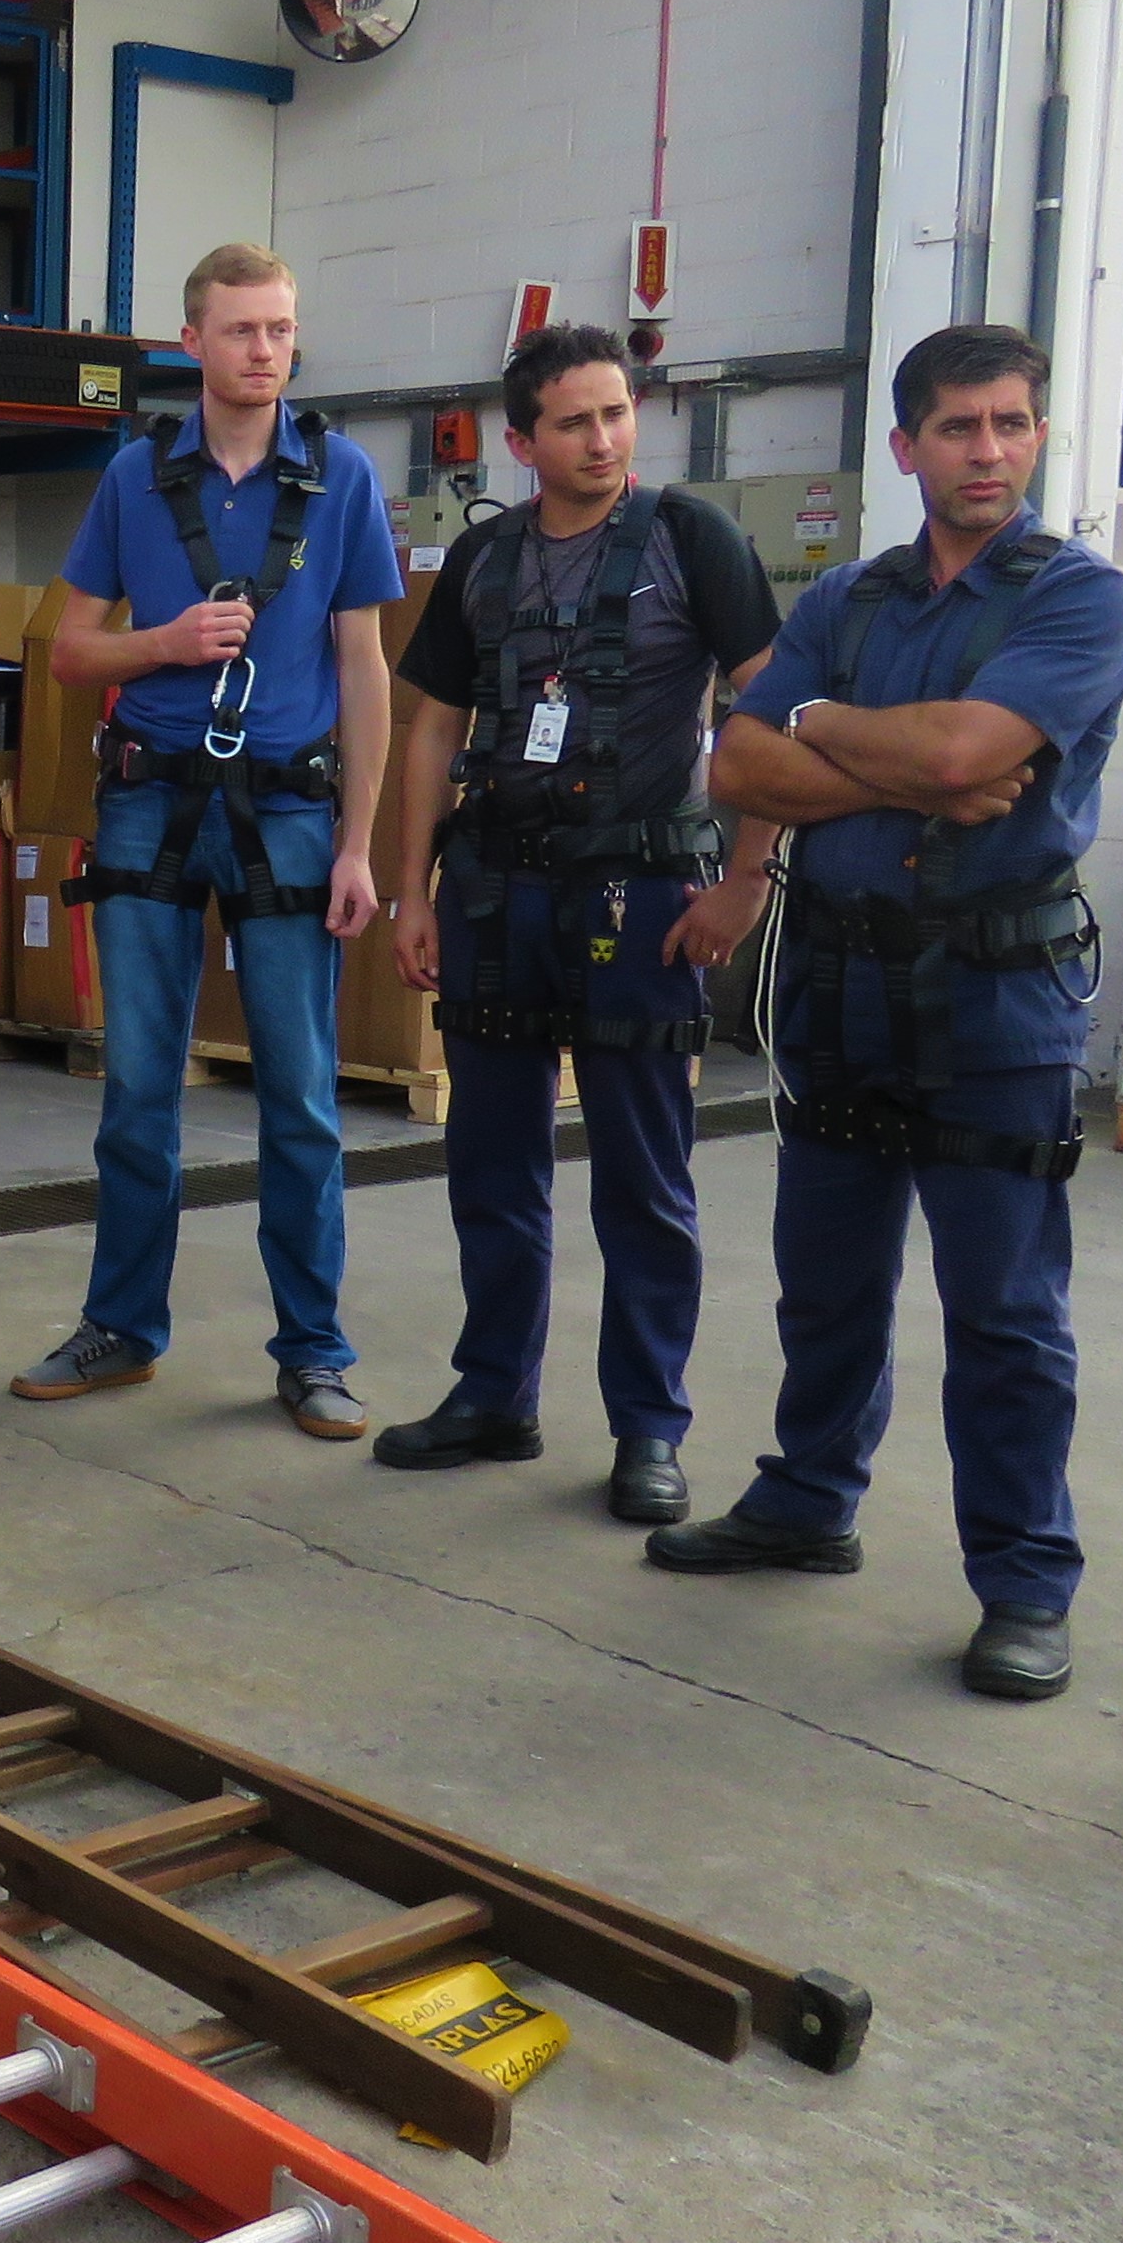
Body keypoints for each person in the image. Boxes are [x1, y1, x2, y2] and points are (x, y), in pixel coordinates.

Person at [677, 326, 1123, 1699]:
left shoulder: (1079, 599)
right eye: (956, 426)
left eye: (1009, 423)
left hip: (994, 1000)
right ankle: (806, 1499)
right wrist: (897, 760)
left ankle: (1025, 1582)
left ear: (1037, 435)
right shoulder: (852, 599)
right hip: (837, 984)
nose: (986, 450)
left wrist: (824, 729)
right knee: (825, 1278)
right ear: (906, 446)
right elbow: (734, 764)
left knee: (1003, 1309)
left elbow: (962, 753)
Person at [381, 323, 782, 1518]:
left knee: (642, 1178)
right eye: (573, 421)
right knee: (489, 1165)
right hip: (497, 896)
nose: (602, 439)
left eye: (615, 413)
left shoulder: (690, 539)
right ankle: (492, 1394)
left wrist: (746, 877)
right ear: (520, 442)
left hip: (642, 897)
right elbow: (431, 726)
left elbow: (772, 709)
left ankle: (647, 1428)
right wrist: (412, 890)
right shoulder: (483, 558)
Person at [12, 244, 403, 1439]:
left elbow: (363, 668)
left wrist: (357, 844)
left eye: (280, 329)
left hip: (288, 812)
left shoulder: (338, 478)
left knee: (299, 1092)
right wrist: (165, 644)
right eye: (240, 330)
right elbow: (68, 652)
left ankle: (313, 1351)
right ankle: (121, 1327)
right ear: (191, 341)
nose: (264, 350)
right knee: (139, 1084)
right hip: (150, 802)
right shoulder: (134, 478)